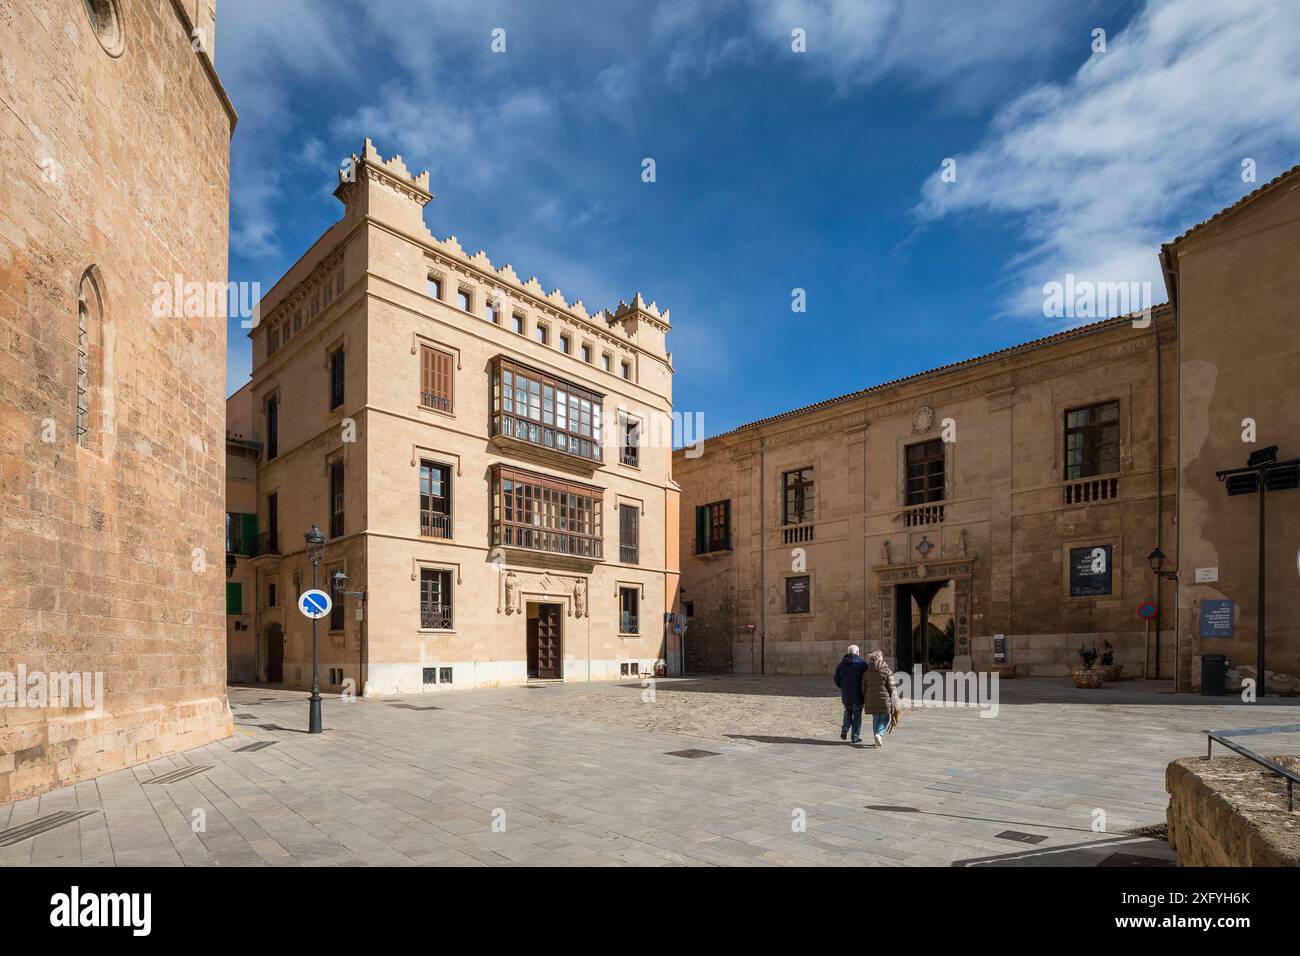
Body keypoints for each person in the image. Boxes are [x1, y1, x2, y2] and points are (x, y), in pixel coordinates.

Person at [832, 645, 869, 744]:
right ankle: (855, 737)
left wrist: (843, 687)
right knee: (857, 714)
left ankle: (845, 728)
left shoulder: (841, 665)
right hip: (858, 694)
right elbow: (867, 678)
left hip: (846, 694)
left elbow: (836, 679)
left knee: (848, 711)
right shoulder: (862, 664)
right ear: (857, 653)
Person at [861, 649, 897, 747]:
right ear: (881, 659)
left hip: (871, 700)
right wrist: (895, 701)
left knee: (876, 718)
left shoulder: (866, 672)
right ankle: (879, 734)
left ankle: (876, 739)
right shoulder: (887, 670)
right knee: (885, 718)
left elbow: (863, 688)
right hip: (884, 699)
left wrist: (866, 697)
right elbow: (892, 687)